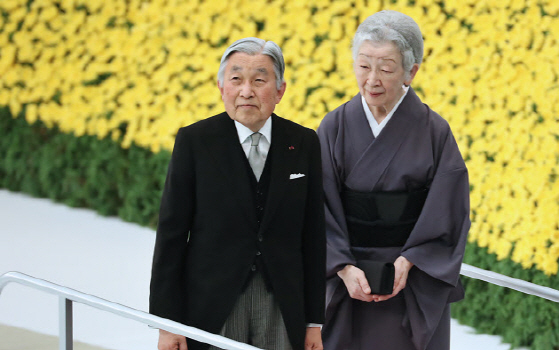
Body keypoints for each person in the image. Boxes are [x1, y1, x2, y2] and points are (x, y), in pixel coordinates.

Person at [149, 37, 325, 350]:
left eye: (259, 80)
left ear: (280, 90)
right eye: (236, 79)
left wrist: (314, 322)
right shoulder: (195, 141)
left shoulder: (303, 143)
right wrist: (166, 323)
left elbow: (312, 238)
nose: (247, 91)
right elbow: (171, 236)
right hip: (213, 302)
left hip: (281, 303)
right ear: (221, 88)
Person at [317, 10, 470, 350]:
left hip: (411, 277)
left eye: (385, 68)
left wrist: (411, 260)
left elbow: (449, 208)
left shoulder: (434, 131)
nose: (372, 79)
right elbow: (316, 205)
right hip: (348, 276)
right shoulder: (334, 127)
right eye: (363, 66)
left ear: (410, 72)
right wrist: (341, 267)